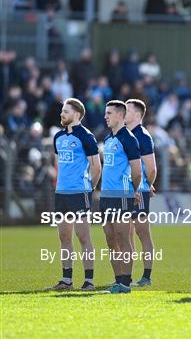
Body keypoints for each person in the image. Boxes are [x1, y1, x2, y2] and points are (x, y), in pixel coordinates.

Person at [48, 98, 101, 291]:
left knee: (83, 237)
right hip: (61, 193)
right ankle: (66, 280)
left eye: (66, 111)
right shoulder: (58, 137)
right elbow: (57, 165)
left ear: (77, 114)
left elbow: (96, 167)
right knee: (64, 237)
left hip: (80, 193)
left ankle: (89, 281)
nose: (62, 114)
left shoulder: (86, 136)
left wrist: (89, 189)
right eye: (62, 111)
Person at [100, 100, 142, 294]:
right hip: (106, 195)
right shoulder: (108, 139)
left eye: (109, 113)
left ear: (119, 115)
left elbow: (136, 169)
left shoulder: (129, 139)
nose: (105, 116)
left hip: (122, 195)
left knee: (123, 237)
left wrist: (134, 189)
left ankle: (125, 283)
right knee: (110, 238)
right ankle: (118, 281)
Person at [125, 99, 157, 287]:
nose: (123, 113)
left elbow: (151, 168)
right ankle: (126, 275)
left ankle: (146, 276)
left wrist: (148, 185)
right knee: (126, 234)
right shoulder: (126, 134)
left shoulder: (143, 136)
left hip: (140, 190)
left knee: (142, 233)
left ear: (137, 114)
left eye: (127, 110)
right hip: (125, 191)